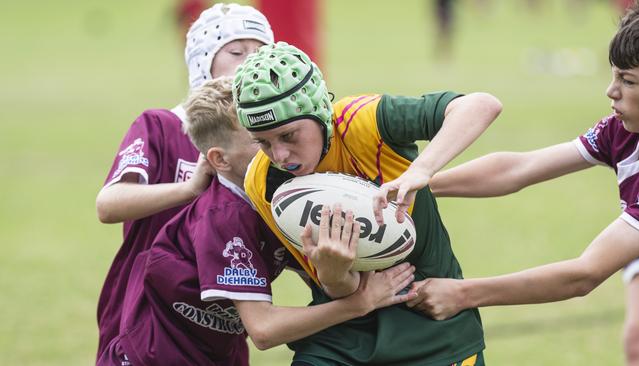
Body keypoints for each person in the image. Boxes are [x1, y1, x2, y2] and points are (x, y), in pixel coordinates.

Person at [97, 77, 416, 366]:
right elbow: (263, 329)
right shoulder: (225, 217)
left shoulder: (278, 194)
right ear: (219, 160)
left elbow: (328, 279)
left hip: (213, 352)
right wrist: (358, 303)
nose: (277, 148)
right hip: (152, 357)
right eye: (259, 140)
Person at [233, 42, 502, 365]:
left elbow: (481, 105)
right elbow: (345, 292)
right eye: (263, 142)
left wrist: (420, 170)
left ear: (319, 113)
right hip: (339, 341)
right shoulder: (262, 183)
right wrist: (333, 273)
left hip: (434, 330)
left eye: (289, 135)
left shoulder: (365, 123)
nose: (279, 156)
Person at [416, 4, 639, 365]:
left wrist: (462, 294)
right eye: (614, 75)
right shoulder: (622, 133)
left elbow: (584, 274)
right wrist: (418, 184)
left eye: (628, 81)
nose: (610, 91)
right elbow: (518, 169)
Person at [94, 3, 274, 358]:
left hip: (218, 331)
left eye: (261, 53)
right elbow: (108, 205)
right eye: (237, 52)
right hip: (143, 324)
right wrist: (187, 190)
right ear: (202, 62)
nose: (250, 63)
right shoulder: (161, 126)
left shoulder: (267, 144)